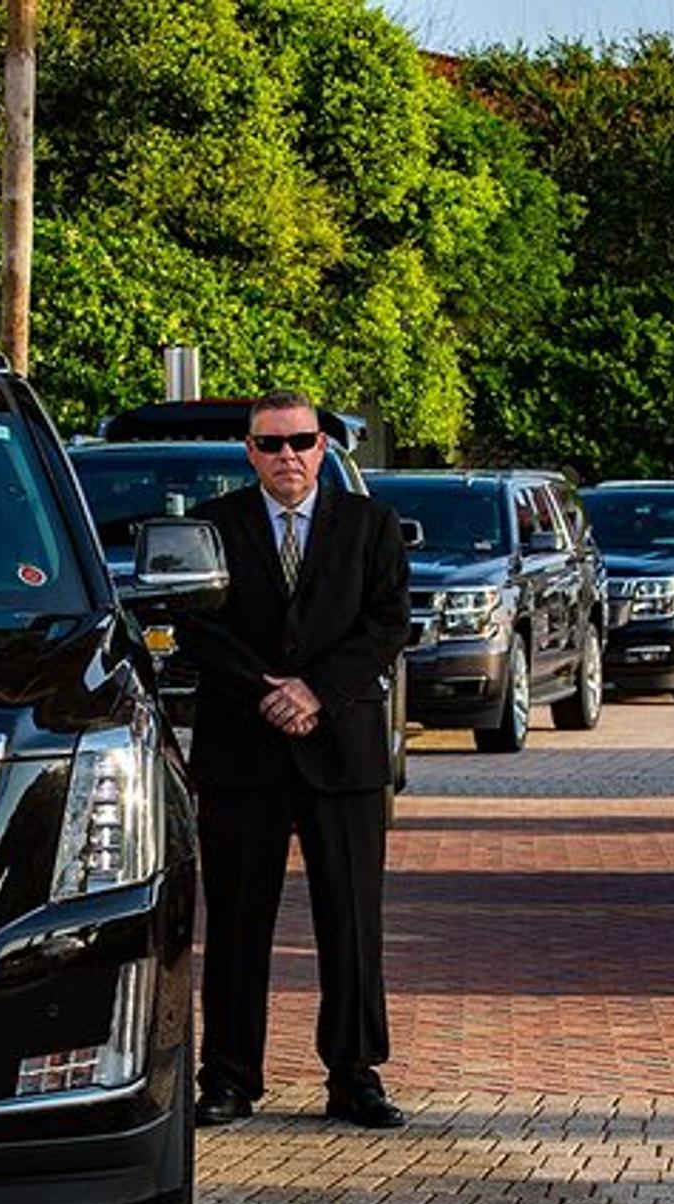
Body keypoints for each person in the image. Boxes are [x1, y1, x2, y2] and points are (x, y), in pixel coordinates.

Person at [175, 391, 411, 1130]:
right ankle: (229, 1075)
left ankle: (355, 1073)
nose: (287, 456)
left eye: (301, 442)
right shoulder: (212, 527)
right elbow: (194, 626)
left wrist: (316, 690)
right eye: (271, 444)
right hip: (242, 750)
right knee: (239, 923)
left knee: (351, 918)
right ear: (248, 451)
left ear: (324, 448)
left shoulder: (369, 525)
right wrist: (266, 693)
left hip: (343, 750)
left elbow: (388, 624)